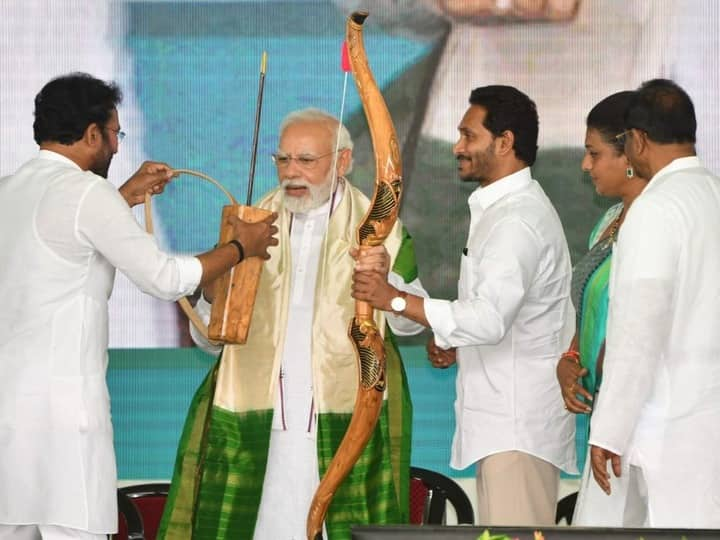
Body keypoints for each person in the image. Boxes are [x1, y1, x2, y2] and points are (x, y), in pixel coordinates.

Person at [0, 73, 278, 540]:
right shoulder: (86, 192)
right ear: (92, 135)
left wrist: (124, 196)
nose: (114, 145)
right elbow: (165, 278)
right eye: (114, 133)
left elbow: (67, 235)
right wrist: (239, 247)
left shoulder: (9, 189)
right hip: (61, 418)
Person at [159, 108, 427, 540]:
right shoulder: (251, 222)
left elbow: (415, 326)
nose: (291, 172)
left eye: (306, 160)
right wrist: (213, 291)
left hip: (342, 425)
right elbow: (209, 341)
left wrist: (385, 286)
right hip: (257, 426)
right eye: (283, 160)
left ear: (342, 161)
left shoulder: (379, 226)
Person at [352, 86, 576, 526]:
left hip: (517, 430)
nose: (457, 147)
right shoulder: (502, 210)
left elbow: (490, 320)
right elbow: (497, 314)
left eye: (468, 135)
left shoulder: (516, 220)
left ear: (505, 142)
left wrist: (393, 299)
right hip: (505, 428)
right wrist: (455, 340)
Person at [589, 79, 720, 527]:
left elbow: (638, 331)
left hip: (668, 429)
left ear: (638, 141)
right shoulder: (714, 194)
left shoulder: (656, 207)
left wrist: (608, 431)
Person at [554, 91, 648, 525]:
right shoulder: (609, 220)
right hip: (606, 419)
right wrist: (571, 360)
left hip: (643, 419)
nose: (585, 165)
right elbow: (591, 315)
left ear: (630, 152)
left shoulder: (658, 224)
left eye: (594, 153)